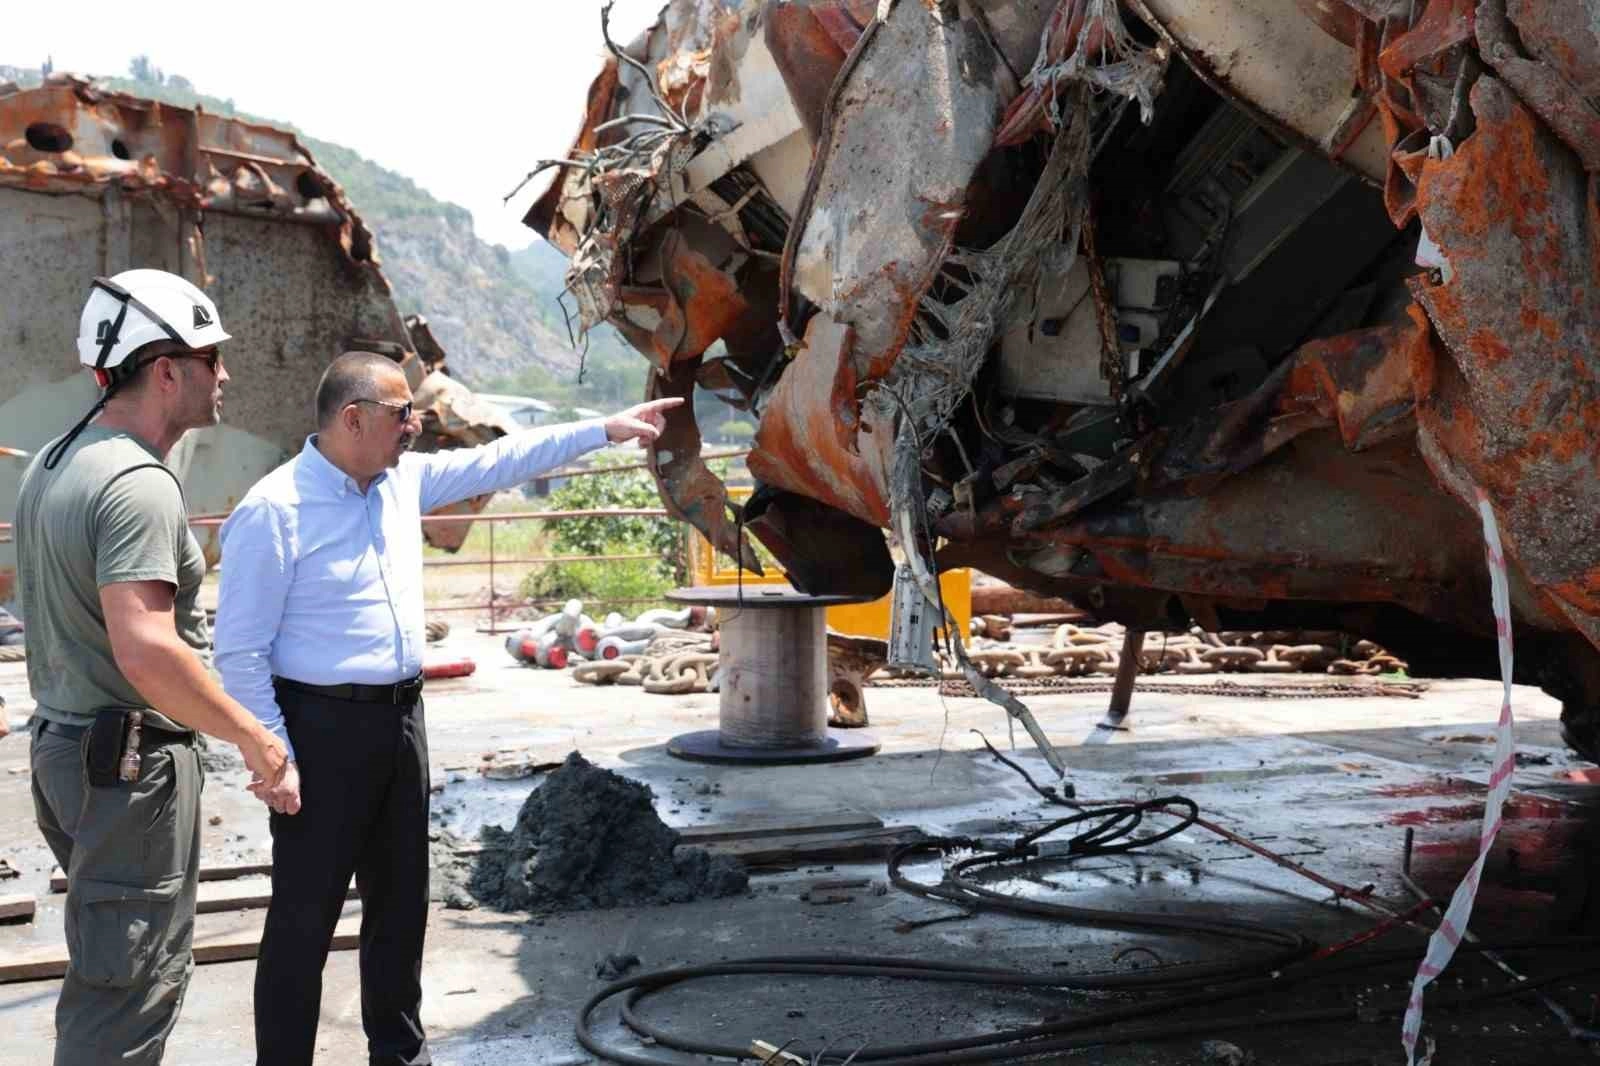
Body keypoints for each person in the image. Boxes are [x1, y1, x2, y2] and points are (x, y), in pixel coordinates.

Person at [214, 350, 679, 1065]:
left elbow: (501, 460)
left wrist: (603, 430)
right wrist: (274, 754)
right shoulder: (274, 510)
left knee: (401, 907)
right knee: (303, 921)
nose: (416, 426)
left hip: (401, 724)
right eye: (403, 413)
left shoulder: (403, 482)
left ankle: (400, 1057)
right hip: (319, 732)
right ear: (353, 418)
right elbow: (240, 654)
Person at [14, 269, 290, 1065]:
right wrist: (253, 736)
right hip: (127, 771)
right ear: (166, 370)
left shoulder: (54, 462)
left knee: (110, 969)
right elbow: (147, 648)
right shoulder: (138, 483)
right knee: (128, 993)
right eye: (212, 357)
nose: (225, 374)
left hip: (68, 750)